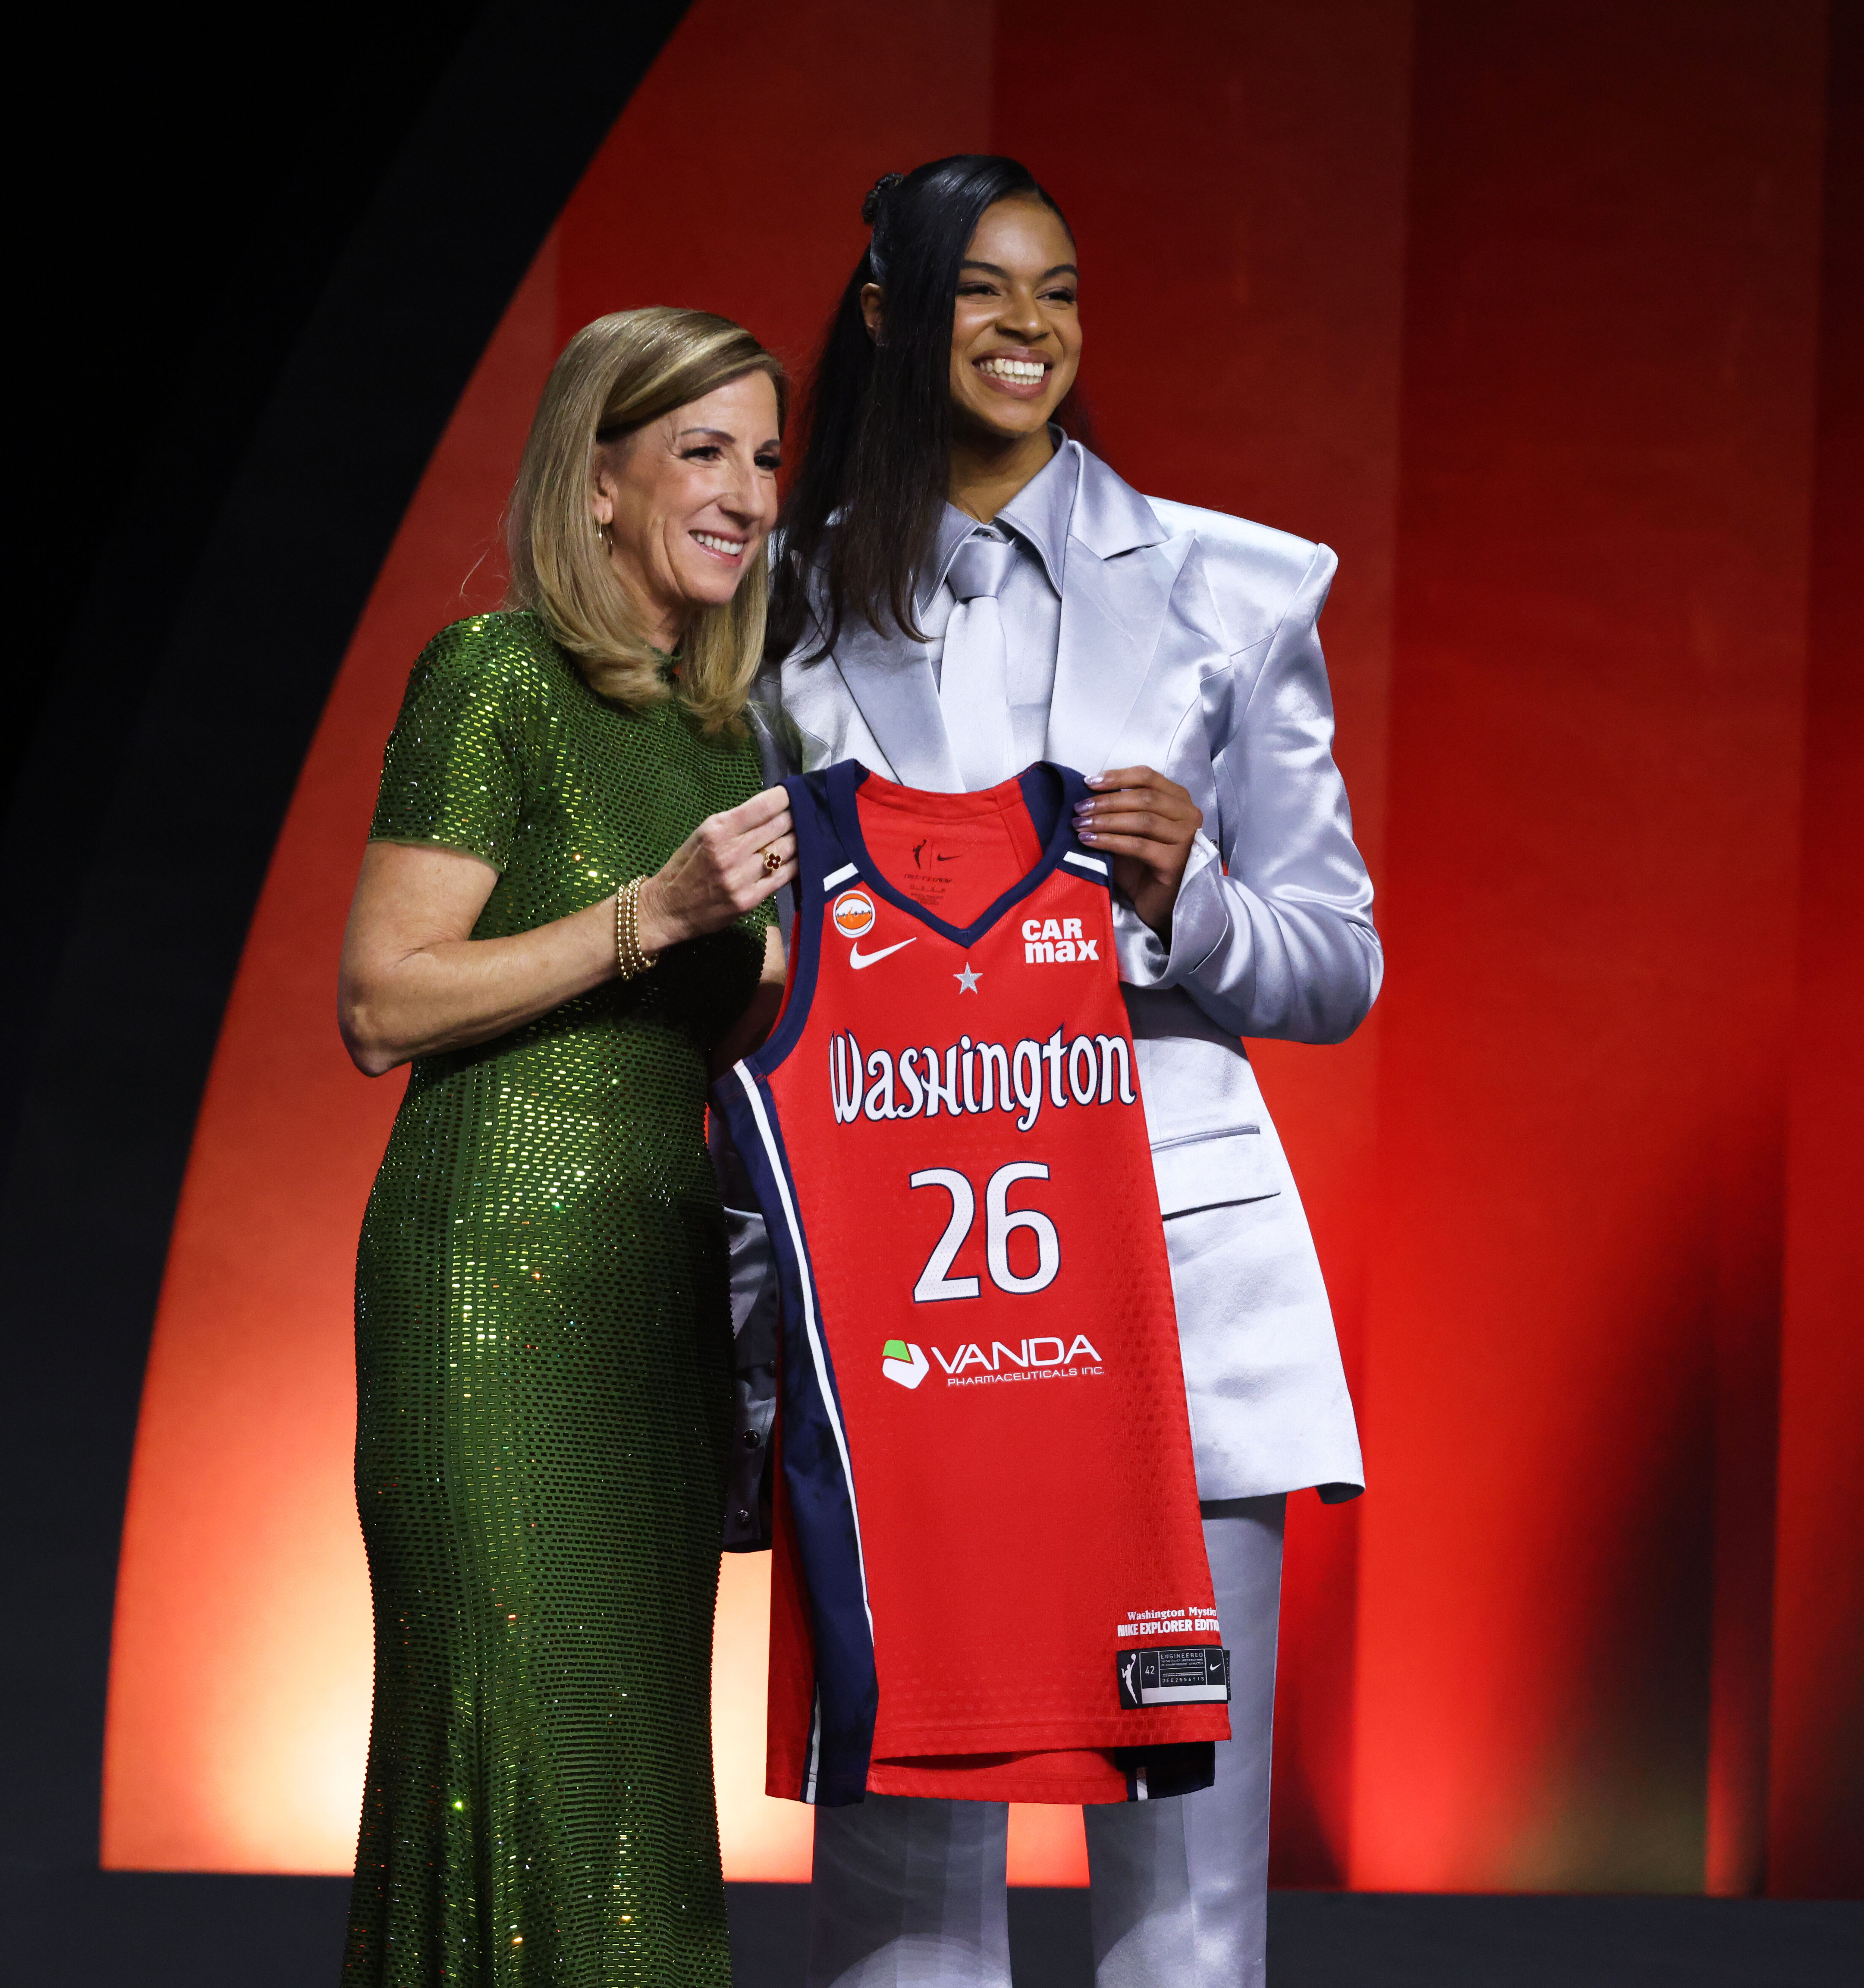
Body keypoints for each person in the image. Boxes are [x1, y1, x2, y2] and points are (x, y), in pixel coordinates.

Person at [757, 156, 1382, 1988]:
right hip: (908, 1282)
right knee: (899, 1875)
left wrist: (1188, 899)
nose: (1029, 326)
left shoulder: (1234, 590)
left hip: (1170, 1274)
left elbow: (1333, 965)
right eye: (980, 289)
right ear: (889, 316)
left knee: (1183, 1898)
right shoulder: (779, 611)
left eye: (1060, 290)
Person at [337, 306, 800, 1988]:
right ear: (595, 480)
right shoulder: (494, 678)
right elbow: (382, 999)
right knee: (514, 1768)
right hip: (490, 1291)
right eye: (701, 450)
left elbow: (736, 1025)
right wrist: (653, 913)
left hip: (653, 1304)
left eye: (764, 456)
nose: (746, 491)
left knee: (629, 1804)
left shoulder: (730, 735)